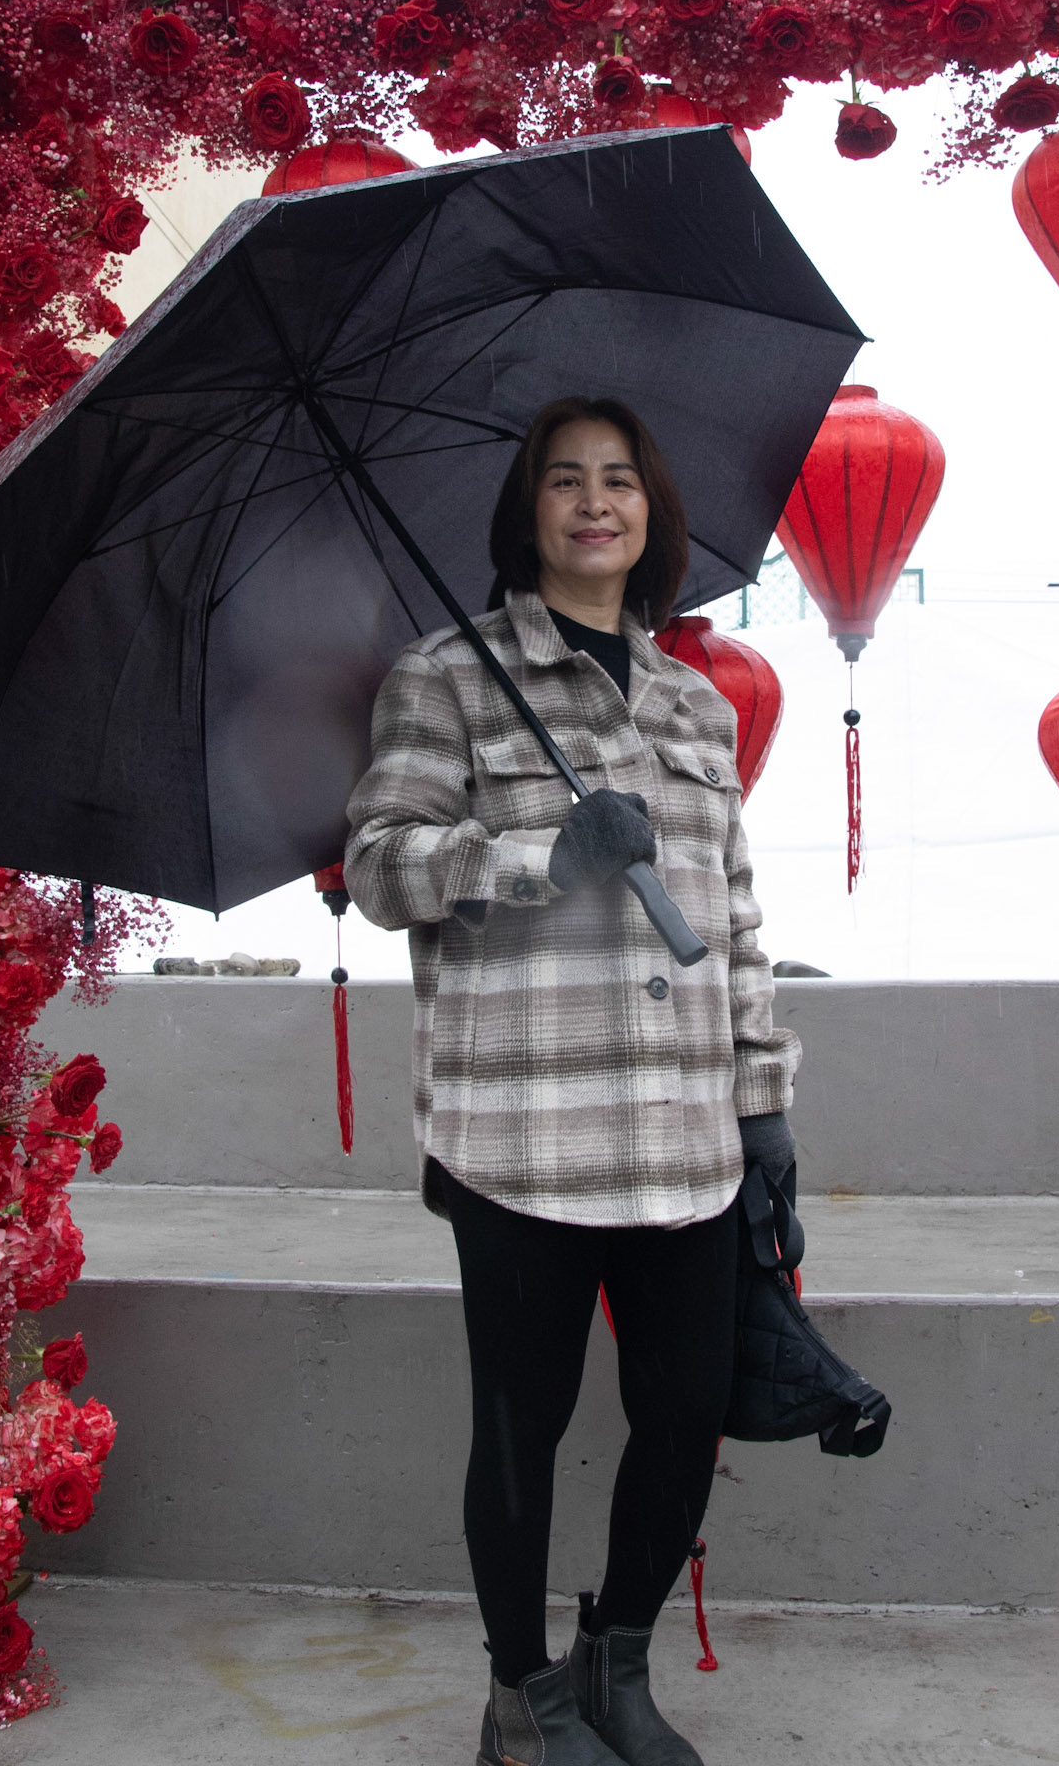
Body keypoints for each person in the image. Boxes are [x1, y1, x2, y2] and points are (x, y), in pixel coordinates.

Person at [345, 397, 800, 1766]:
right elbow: (379, 865)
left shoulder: (695, 704)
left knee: (685, 1411)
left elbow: (734, 914)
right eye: (563, 480)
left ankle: (618, 1665)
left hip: (684, 1136)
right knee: (520, 1425)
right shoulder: (446, 677)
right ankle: (519, 1700)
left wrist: (764, 1102)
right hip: (522, 1133)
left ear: (653, 512)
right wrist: (539, 856)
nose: (594, 503)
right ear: (526, 510)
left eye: (618, 480)